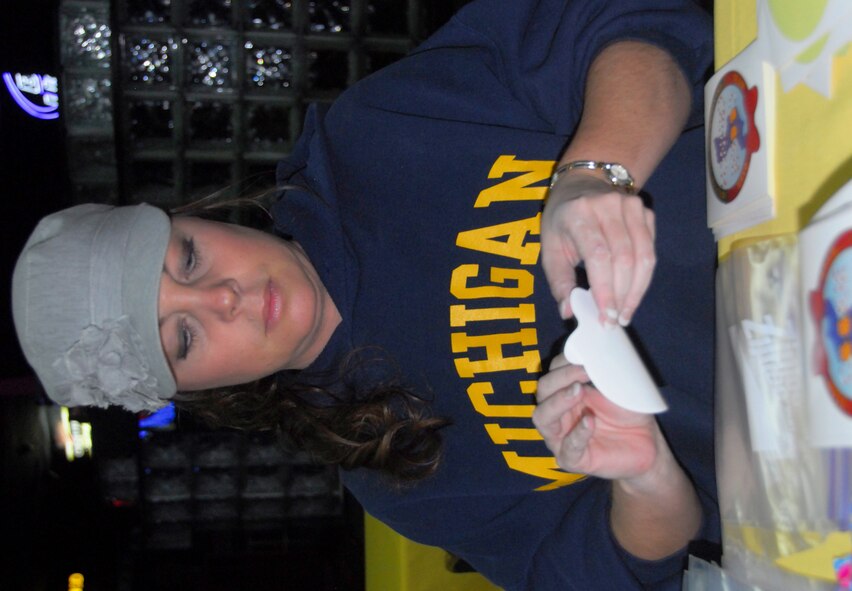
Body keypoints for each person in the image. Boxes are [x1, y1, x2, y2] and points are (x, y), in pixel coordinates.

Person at [11, 0, 719, 588]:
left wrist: (597, 170)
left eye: (187, 259)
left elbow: (624, 22)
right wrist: (647, 475)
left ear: (194, 214)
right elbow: (606, 570)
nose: (222, 298)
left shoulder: (372, 137)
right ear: (198, 392)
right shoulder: (391, 468)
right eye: (184, 338)